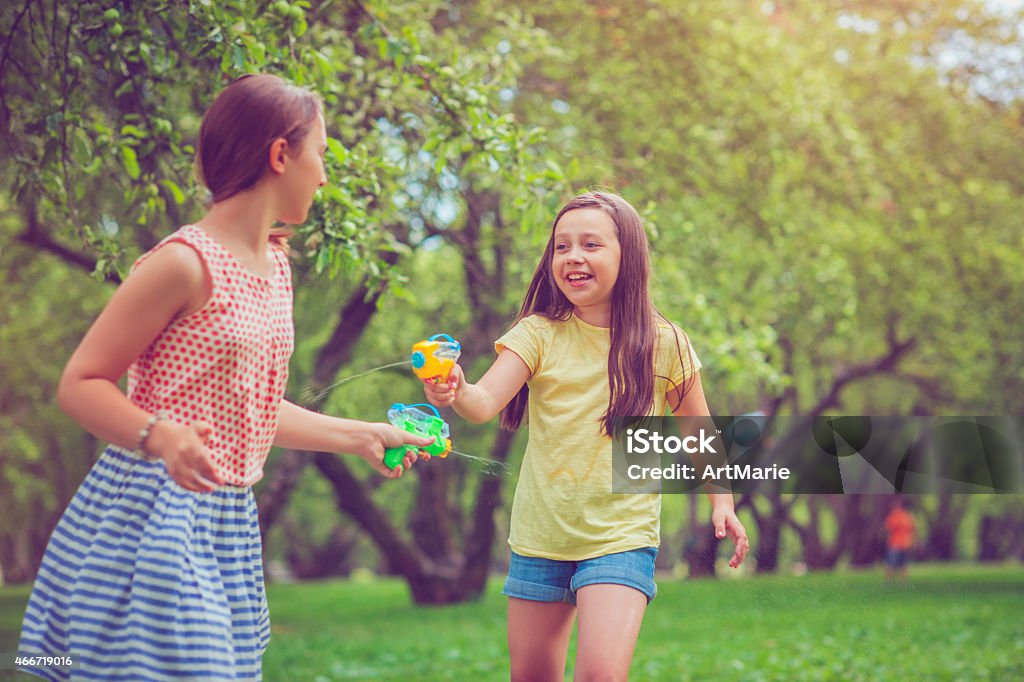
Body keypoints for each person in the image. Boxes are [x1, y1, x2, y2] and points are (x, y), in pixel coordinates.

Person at [17, 74, 433, 681]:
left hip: (225, 524)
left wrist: (359, 435)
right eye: (319, 154)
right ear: (280, 154)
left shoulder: (276, 266)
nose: (323, 175)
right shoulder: (182, 264)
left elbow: (253, 406)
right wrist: (161, 436)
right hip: (151, 515)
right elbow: (80, 382)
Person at [423, 192, 750, 681]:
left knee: (600, 675)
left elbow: (697, 429)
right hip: (541, 535)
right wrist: (455, 389)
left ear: (628, 257)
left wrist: (722, 503)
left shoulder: (664, 343)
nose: (573, 256)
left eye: (591, 244)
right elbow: (484, 402)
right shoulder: (537, 334)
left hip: (620, 535)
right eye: (562, 246)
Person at [884, 497, 916, 581]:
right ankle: (903, 581)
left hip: (895, 543)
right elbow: (912, 529)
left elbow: (889, 528)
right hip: (905, 543)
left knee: (891, 562)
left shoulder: (895, 515)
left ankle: (888, 580)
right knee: (903, 563)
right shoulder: (908, 516)